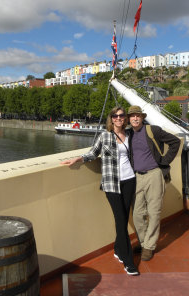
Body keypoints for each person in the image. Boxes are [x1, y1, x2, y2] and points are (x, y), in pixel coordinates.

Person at [61, 106, 139, 276]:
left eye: (121, 116)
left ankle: (118, 249)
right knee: (120, 220)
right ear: (111, 119)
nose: (119, 118)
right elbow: (93, 153)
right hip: (112, 183)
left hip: (129, 180)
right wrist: (78, 158)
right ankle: (128, 261)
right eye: (115, 116)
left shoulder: (130, 135)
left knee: (124, 218)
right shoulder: (105, 136)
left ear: (125, 118)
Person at [127, 105, 181, 261]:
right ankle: (144, 242)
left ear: (142, 118)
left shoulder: (153, 131)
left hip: (154, 175)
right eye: (132, 116)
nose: (135, 118)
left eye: (138, 115)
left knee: (154, 212)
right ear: (129, 119)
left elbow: (175, 142)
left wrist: (164, 161)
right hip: (136, 177)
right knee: (137, 213)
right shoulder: (128, 134)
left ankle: (149, 247)